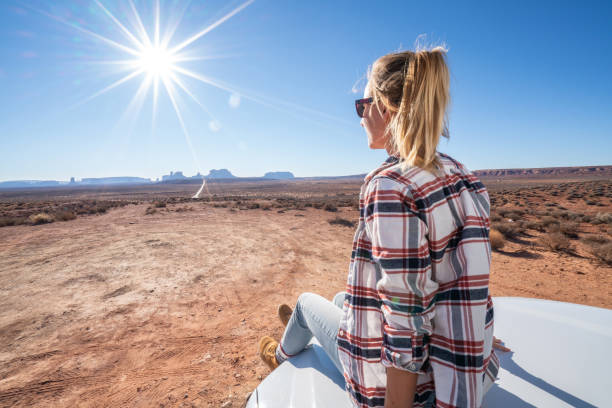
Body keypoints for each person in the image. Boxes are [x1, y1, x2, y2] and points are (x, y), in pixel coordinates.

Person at [257, 45, 509, 408]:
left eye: (363, 106)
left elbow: (406, 320)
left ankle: (279, 355)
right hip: (472, 377)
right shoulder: (465, 177)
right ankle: (312, 328)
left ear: (386, 108)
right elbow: (466, 281)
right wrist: (480, 338)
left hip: (417, 393)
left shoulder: (392, 185)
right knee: (344, 300)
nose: (360, 117)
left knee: (305, 303)